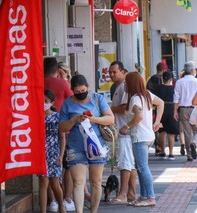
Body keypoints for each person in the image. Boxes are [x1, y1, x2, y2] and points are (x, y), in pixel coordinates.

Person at [59, 74, 114, 213]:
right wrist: (74, 120)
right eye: (77, 92)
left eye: (83, 91)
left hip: (97, 145)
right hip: (76, 147)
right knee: (78, 181)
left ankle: (93, 210)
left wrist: (93, 119)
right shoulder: (67, 103)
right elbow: (62, 128)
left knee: (96, 181)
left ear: (87, 88)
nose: (80, 94)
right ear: (72, 90)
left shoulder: (97, 98)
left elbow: (110, 119)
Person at [119, 72, 164, 207]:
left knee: (142, 168)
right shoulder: (146, 94)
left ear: (131, 84)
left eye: (127, 83)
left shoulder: (135, 99)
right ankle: (144, 196)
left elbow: (138, 116)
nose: (125, 85)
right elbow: (161, 103)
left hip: (140, 137)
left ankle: (150, 197)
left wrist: (126, 126)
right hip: (148, 135)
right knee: (140, 167)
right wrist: (157, 122)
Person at [107, 61, 137, 205]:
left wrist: (109, 109)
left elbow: (125, 107)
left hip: (124, 130)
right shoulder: (119, 87)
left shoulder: (125, 87)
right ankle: (131, 192)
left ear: (123, 71)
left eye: (114, 72)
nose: (111, 75)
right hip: (123, 130)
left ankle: (123, 193)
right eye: (110, 72)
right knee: (130, 163)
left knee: (125, 163)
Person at [39, 90, 66, 213]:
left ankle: (61, 205)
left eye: (46, 101)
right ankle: (43, 211)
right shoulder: (36, 117)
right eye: (42, 101)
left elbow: (62, 137)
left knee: (55, 183)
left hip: (54, 152)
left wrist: (61, 155)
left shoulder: (57, 117)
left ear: (52, 102)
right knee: (43, 183)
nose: (43, 104)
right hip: (40, 154)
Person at [174, 61, 197, 161]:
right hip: (195, 109)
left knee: (187, 132)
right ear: (192, 70)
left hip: (183, 109)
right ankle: (194, 143)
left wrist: (175, 111)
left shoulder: (179, 82)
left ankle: (189, 155)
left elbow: (176, 97)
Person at [154, 71, 180, 160]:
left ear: (162, 78)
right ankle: (171, 153)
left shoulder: (158, 88)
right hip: (171, 109)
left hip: (161, 110)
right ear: (171, 79)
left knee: (161, 131)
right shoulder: (174, 88)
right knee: (171, 133)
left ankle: (163, 151)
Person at [146, 62, 168, 156]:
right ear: (163, 70)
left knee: (153, 126)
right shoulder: (163, 80)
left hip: (151, 106)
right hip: (161, 106)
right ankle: (161, 147)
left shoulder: (150, 79)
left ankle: (157, 147)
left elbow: (147, 90)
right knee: (160, 127)